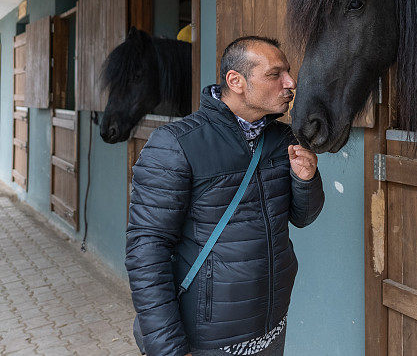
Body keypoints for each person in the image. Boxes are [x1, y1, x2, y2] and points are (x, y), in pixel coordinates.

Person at [126, 36, 324, 356]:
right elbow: (146, 250)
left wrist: (306, 180)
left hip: (270, 325)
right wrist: (168, 347)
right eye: (275, 75)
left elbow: (303, 217)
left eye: (288, 72)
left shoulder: (283, 139)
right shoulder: (176, 143)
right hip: (205, 338)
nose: (290, 82)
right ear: (237, 81)